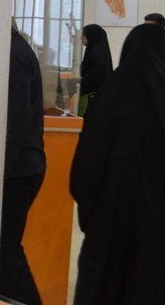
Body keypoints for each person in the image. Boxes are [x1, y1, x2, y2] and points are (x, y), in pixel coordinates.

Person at [70, 24, 165, 304]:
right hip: (155, 248)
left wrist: (96, 220)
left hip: (106, 241)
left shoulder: (108, 102)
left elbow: (82, 176)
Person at [0, 26, 46, 305]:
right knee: (6, 248)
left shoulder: (13, 55)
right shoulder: (16, 50)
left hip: (20, 169)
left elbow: (16, 122)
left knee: (7, 248)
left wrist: (0, 174)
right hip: (23, 164)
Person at [79, 24, 113, 116]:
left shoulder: (97, 53)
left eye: (83, 36)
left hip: (94, 96)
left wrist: (80, 83)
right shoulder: (94, 49)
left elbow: (94, 75)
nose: (81, 39)